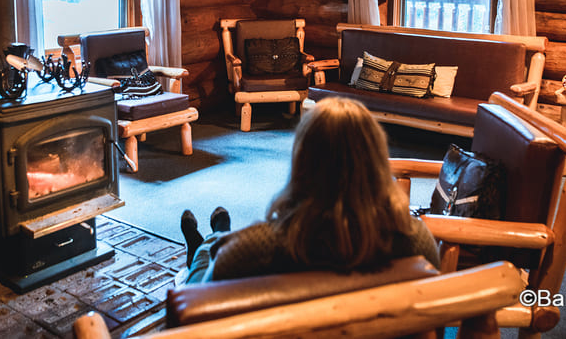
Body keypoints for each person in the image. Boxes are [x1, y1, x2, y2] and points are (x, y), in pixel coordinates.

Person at [178, 96, 440, 284]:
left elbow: (198, 306)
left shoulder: (252, 248)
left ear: (302, 162)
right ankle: (215, 235)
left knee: (206, 257)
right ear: (377, 162)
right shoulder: (415, 240)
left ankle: (213, 238)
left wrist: (224, 245)